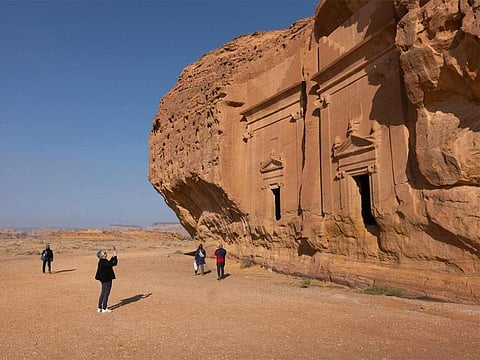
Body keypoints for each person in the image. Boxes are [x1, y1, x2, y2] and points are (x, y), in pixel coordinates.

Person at [95, 246, 118, 313]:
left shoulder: (102, 261)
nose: (106, 254)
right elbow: (114, 263)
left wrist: (113, 256)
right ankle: (104, 308)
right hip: (107, 279)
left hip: (103, 279)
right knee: (106, 293)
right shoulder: (104, 262)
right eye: (105, 253)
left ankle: (99, 307)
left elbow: (109, 264)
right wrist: (115, 256)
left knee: (103, 292)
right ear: (102, 255)